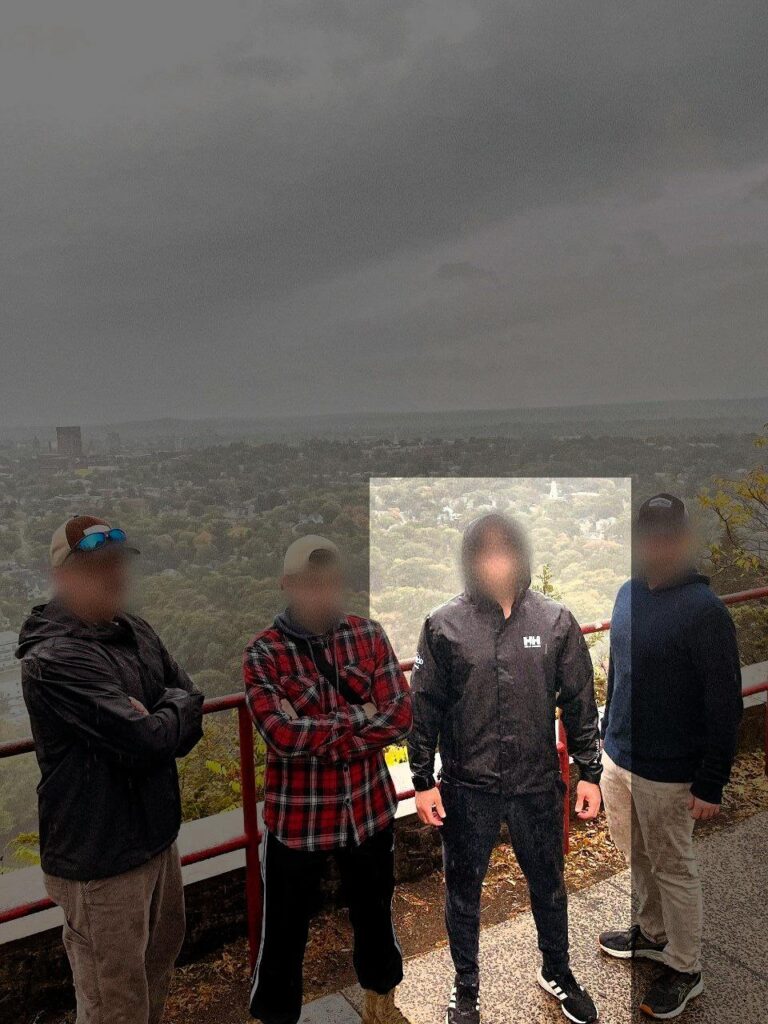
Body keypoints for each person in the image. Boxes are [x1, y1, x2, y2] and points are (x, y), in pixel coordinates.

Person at [408, 513, 603, 1024]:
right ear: (472, 559)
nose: (496, 560)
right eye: (485, 551)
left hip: (536, 783)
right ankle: (465, 987)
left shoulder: (555, 621)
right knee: (463, 890)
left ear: (520, 555)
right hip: (466, 786)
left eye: (505, 549)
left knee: (549, 883)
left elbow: (580, 701)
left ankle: (557, 969)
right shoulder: (442, 625)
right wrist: (422, 780)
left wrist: (589, 772)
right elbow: (424, 708)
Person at [18, 515, 204, 1024]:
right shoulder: (53, 658)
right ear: (65, 576)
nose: (115, 576)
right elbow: (146, 741)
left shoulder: (135, 630)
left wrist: (162, 714)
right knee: (113, 1001)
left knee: (157, 968)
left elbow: (189, 700)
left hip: (156, 837)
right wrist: (164, 717)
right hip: (99, 859)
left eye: (119, 564)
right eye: (99, 567)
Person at [243, 535, 413, 1024]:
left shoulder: (368, 634)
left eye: (332, 582)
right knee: (283, 936)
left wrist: (318, 725)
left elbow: (401, 715)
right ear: (288, 585)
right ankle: (277, 1016)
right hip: (299, 822)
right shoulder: (265, 654)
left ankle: (381, 1003)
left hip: (368, 811)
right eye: (311, 584)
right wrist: (361, 714)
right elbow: (280, 736)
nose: (323, 593)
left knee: (376, 915)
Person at [598, 494, 743, 1019]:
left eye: (665, 537)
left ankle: (686, 966)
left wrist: (711, 783)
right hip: (620, 757)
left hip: (671, 772)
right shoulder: (625, 594)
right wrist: (604, 736)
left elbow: (724, 703)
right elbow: (619, 671)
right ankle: (651, 932)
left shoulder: (706, 613)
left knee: (674, 868)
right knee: (637, 856)